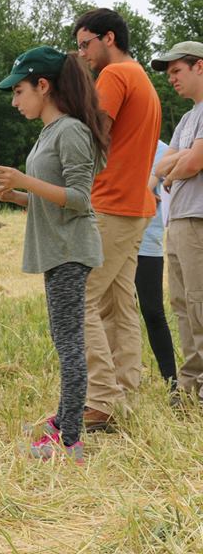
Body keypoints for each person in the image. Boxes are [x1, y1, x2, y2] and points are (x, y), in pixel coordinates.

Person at [0, 46, 109, 464]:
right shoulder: (50, 132)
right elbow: (49, 199)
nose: (14, 100)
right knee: (63, 340)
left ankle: (70, 440)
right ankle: (64, 418)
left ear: (44, 85)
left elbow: (79, 197)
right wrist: (16, 195)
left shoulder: (71, 131)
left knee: (70, 345)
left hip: (70, 251)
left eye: (19, 91)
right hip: (56, 248)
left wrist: (24, 179)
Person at [73, 8, 162, 429]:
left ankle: (101, 401)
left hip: (111, 204)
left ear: (109, 38)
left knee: (79, 297)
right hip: (136, 206)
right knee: (119, 304)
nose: (82, 54)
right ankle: (123, 395)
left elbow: (94, 133)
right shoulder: (142, 77)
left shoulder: (114, 76)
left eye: (85, 44)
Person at [151, 41, 203, 405]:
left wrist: (179, 165)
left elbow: (191, 164)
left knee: (199, 303)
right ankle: (190, 386)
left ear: (199, 66)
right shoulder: (188, 118)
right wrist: (178, 163)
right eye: (168, 74)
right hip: (179, 218)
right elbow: (160, 167)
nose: (171, 80)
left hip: (198, 218)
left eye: (177, 71)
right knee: (182, 303)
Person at [136, 139, 177, 389]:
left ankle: (172, 381)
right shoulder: (111, 144)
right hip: (113, 241)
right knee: (117, 313)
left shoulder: (161, 149)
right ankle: (122, 381)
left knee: (152, 312)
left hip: (147, 244)